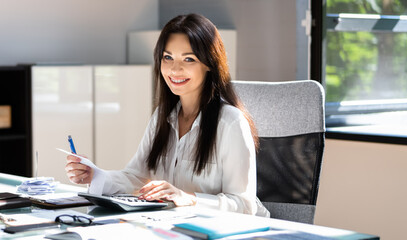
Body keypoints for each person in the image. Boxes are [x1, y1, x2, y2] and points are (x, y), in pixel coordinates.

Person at [65, 13, 269, 216]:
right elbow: (137, 176)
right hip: (174, 227)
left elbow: (244, 204)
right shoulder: (163, 116)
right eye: (168, 57)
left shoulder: (231, 123)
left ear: (209, 64)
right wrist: (94, 175)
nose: (175, 69)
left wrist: (189, 198)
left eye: (189, 59)